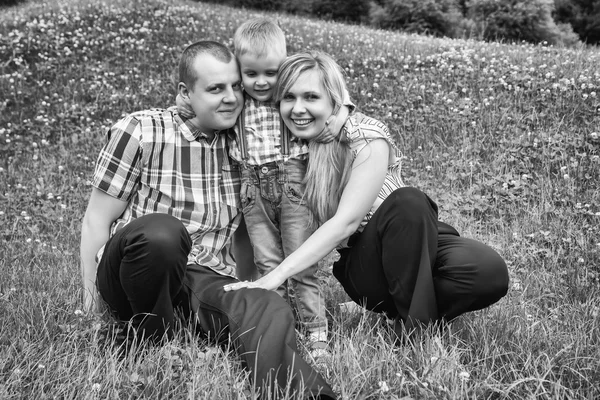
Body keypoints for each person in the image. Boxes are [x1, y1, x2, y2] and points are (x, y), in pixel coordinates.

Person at [80, 41, 336, 400]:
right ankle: (148, 337)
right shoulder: (142, 129)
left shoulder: (247, 147)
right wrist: (94, 309)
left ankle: (297, 393)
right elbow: (96, 221)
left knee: (267, 303)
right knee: (163, 234)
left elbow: (251, 231)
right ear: (186, 93)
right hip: (133, 269)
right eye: (216, 88)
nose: (231, 97)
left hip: (202, 276)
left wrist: (252, 288)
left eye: (236, 86)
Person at [224, 51, 510, 337]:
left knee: (488, 271)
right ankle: (417, 334)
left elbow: (347, 220)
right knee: (408, 204)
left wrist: (276, 276)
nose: (298, 109)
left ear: (333, 99)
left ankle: (402, 311)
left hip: (416, 234)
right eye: (289, 98)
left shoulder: (364, 134)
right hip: (366, 262)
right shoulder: (288, 149)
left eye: (311, 97)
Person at [177, 18, 352, 356]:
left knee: (300, 263)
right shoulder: (235, 103)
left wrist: (341, 115)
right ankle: (282, 327)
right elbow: (197, 107)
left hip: (292, 187)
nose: (261, 82)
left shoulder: (287, 99)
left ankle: (316, 333)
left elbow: (335, 100)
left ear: (283, 68)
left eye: (271, 73)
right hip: (251, 191)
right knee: (268, 264)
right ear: (238, 73)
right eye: (251, 74)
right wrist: (183, 104)